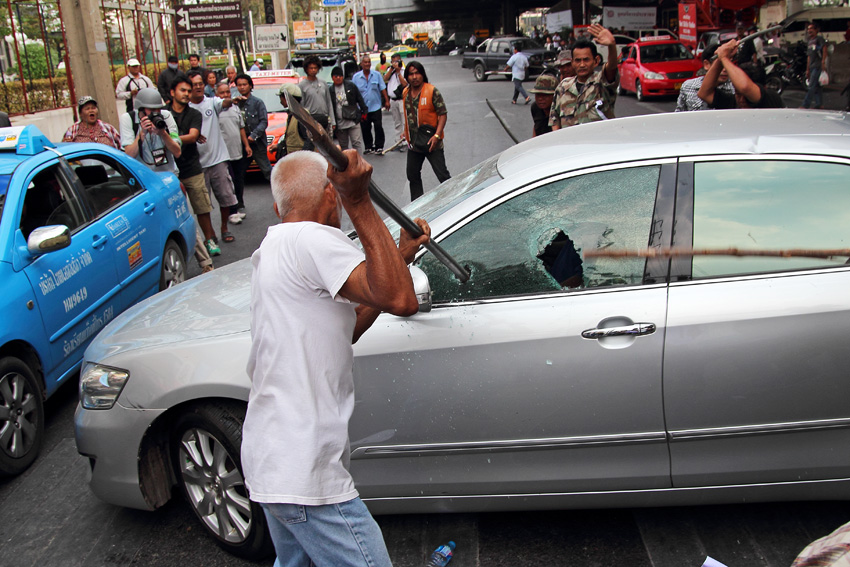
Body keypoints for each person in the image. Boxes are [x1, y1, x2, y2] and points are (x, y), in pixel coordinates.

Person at [242, 149, 429, 567]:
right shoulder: (312, 238)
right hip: (303, 469)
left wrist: (397, 259)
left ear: (277, 207)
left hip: (271, 461)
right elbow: (401, 299)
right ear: (332, 194)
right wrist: (359, 200)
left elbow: (350, 325)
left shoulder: (276, 246)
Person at [120, 88, 214, 273]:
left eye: (157, 109)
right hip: (144, 185)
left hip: (168, 180)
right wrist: (141, 134)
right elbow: (128, 155)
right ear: (140, 110)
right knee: (149, 227)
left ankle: (206, 263)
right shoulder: (128, 120)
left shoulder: (166, 117)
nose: (154, 114)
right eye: (150, 110)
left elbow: (177, 151)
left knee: (182, 217)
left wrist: (162, 133)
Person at [169, 76, 221, 256]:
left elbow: (193, 136)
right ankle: (185, 247)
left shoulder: (194, 114)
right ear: (172, 92)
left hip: (192, 167)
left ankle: (209, 240)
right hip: (169, 171)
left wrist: (167, 138)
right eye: (182, 90)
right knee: (174, 212)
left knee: (202, 207)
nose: (186, 94)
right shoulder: (164, 114)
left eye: (188, 91)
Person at [188, 71, 239, 244]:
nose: (198, 87)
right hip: (197, 164)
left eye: (200, 83)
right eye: (194, 84)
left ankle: (224, 228)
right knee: (203, 204)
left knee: (225, 197)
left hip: (218, 159)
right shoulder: (186, 109)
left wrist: (231, 100)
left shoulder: (212, 102)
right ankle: (210, 235)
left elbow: (224, 102)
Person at [549, 25, 619, 130]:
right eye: (577, 60)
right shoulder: (563, 87)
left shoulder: (601, 82)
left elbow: (611, 68)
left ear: (596, 61)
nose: (582, 65)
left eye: (586, 60)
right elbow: (555, 120)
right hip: (570, 140)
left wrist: (612, 46)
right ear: (572, 62)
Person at [402, 60, 450, 201]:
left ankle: (455, 200)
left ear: (422, 74)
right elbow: (408, 115)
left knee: (442, 175)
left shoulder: (432, 91)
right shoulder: (406, 93)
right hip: (414, 143)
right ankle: (418, 205)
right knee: (412, 175)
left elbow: (443, 114)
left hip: (431, 142)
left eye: (417, 73)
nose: (414, 77)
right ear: (407, 77)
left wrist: (437, 136)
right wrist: (406, 132)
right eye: (411, 74)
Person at [698, 39, 784, 109]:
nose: (742, 100)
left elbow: (745, 87)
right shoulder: (733, 102)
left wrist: (724, 58)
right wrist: (720, 58)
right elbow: (704, 93)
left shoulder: (770, 99)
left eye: (747, 97)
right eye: (738, 94)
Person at [215, 81, 252, 224]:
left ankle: (237, 207)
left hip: (237, 151)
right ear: (216, 94)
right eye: (222, 93)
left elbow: (241, 128)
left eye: (227, 92)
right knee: (227, 182)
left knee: (238, 179)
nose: (225, 95)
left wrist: (246, 145)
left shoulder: (235, 108)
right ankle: (231, 212)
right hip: (223, 154)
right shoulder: (216, 110)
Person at [233, 73, 271, 183]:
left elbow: (264, 122)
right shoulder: (234, 103)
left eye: (244, 84)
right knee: (239, 172)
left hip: (257, 143)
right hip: (241, 143)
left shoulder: (257, 102)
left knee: (267, 170)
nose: (242, 87)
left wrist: (253, 136)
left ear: (250, 86)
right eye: (239, 85)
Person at [675, 43, 734, 112]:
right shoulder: (688, 86)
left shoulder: (735, 89)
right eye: (720, 65)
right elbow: (679, 113)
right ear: (706, 64)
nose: (725, 69)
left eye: (728, 64)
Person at [352, 54, 389, 154]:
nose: (367, 64)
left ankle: (379, 146)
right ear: (361, 64)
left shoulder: (377, 75)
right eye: (365, 62)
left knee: (378, 126)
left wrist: (387, 101)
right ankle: (368, 147)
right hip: (363, 108)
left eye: (369, 62)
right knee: (365, 128)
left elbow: (382, 88)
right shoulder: (356, 77)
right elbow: (353, 92)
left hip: (376, 106)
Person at [330, 66, 367, 154]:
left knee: (356, 143)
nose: (338, 78)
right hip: (340, 123)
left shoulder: (351, 85)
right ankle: (347, 162)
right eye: (336, 76)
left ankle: (358, 161)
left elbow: (359, 99)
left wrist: (364, 112)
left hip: (353, 120)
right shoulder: (330, 90)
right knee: (344, 147)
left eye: (340, 76)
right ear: (332, 78)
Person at [298, 54, 335, 133]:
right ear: (306, 69)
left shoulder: (323, 83)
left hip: (324, 119)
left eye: (315, 68)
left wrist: (333, 121)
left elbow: (329, 102)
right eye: (311, 68)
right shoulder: (302, 85)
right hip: (310, 119)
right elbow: (301, 106)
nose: (313, 70)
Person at [383, 53, 407, 151]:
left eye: (397, 61)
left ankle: (405, 141)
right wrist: (392, 69)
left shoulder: (404, 71)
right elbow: (385, 79)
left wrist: (398, 72)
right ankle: (398, 141)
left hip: (402, 99)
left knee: (404, 121)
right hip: (392, 100)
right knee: (397, 122)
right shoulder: (390, 70)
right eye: (393, 62)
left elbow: (405, 84)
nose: (395, 63)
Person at [802, 22, 827, 110]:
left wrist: (823, 62)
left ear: (816, 30)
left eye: (811, 28)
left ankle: (806, 104)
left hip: (817, 65)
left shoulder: (819, 39)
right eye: (808, 29)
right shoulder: (809, 41)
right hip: (812, 66)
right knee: (817, 86)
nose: (809, 30)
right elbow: (809, 56)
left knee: (811, 85)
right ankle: (819, 104)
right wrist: (807, 69)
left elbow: (824, 49)